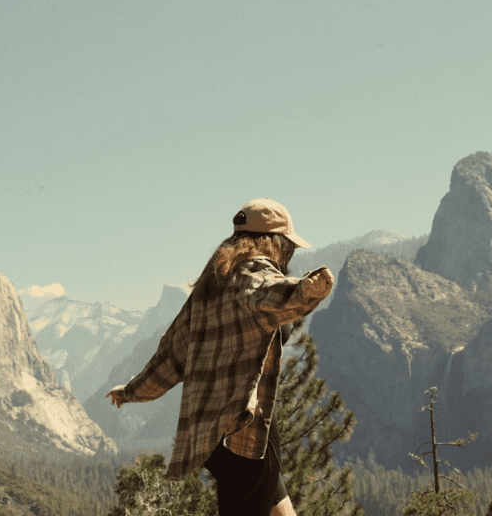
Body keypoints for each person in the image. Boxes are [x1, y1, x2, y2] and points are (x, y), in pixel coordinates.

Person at [106, 198, 335, 516]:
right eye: (288, 246)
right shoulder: (253, 272)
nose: (290, 254)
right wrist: (308, 289)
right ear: (273, 243)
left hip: (212, 437)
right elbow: (270, 293)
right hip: (246, 433)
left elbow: (172, 355)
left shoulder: (210, 287)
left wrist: (132, 391)